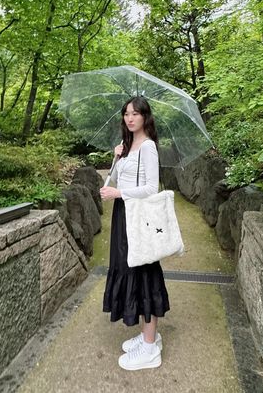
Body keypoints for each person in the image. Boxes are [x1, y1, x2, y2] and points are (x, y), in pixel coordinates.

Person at [100, 96, 170, 371]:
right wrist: (116, 158)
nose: (130, 118)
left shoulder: (148, 147)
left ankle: (151, 348)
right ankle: (147, 335)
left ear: (145, 117)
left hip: (137, 219)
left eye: (135, 114)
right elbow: (116, 180)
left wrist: (119, 193)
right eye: (126, 114)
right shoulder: (128, 148)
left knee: (143, 275)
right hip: (123, 216)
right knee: (130, 271)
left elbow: (152, 188)